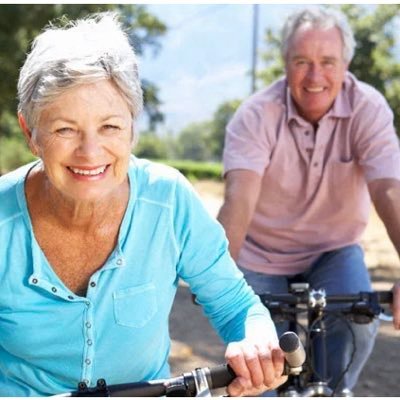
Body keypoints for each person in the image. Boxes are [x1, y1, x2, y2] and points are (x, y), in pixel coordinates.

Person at [0, 12, 287, 397]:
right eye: (65, 129)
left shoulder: (168, 199)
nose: (89, 152)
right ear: (30, 133)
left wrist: (256, 341)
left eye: (110, 127)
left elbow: (238, 305)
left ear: (133, 128)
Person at [218, 6, 400, 395]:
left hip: (332, 250)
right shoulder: (256, 115)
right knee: (259, 361)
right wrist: (217, 278)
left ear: (346, 63)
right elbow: (239, 200)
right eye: (302, 62)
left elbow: (389, 190)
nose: (315, 76)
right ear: (285, 63)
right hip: (261, 254)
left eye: (327, 62)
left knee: (359, 325)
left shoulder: (369, 109)